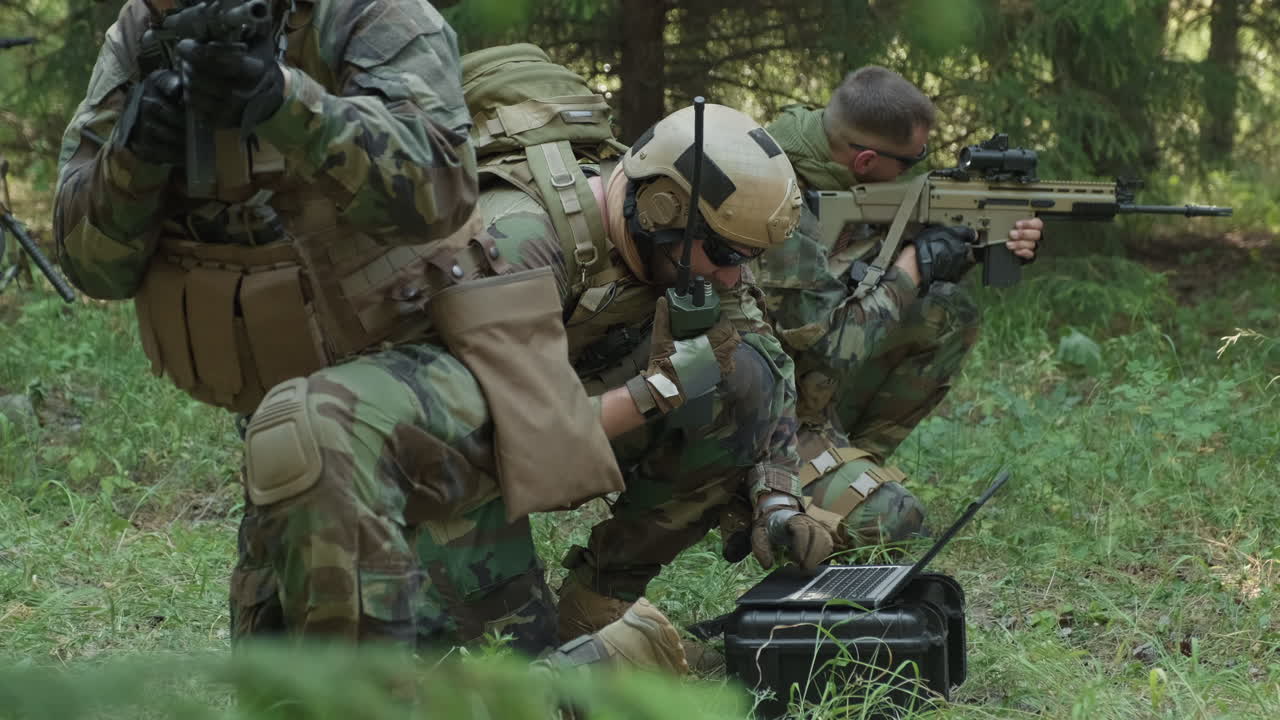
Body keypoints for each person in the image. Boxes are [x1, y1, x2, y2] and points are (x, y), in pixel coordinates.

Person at [751, 65, 1044, 552]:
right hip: (754, 414)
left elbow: (857, 274)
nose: (917, 172)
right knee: (895, 523)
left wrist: (973, 240)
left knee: (947, 313)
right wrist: (912, 266)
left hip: (797, 387)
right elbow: (828, 350)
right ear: (865, 161)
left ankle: (847, 461)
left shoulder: (832, 169)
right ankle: (782, 491)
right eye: (911, 163)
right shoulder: (777, 201)